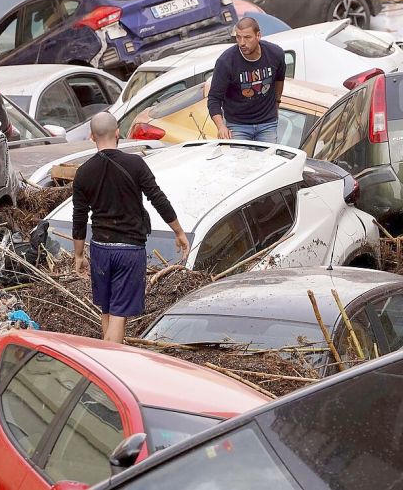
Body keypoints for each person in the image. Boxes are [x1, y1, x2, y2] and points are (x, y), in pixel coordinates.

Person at [72, 112, 190, 343]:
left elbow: (79, 216)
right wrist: (178, 231)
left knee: (107, 309)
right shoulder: (135, 164)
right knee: (118, 314)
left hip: (100, 249)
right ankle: (109, 365)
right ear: (118, 133)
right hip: (129, 250)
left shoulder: (83, 172)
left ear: (92, 136)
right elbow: (158, 199)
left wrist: (78, 255)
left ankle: (107, 356)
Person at [207, 17, 287, 143]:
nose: (242, 43)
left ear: (258, 35)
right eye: (238, 37)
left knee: (268, 161)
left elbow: (279, 80)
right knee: (242, 161)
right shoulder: (226, 61)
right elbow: (214, 98)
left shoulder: (275, 53)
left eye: (247, 37)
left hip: (267, 123)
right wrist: (221, 127)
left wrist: (276, 104)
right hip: (238, 125)